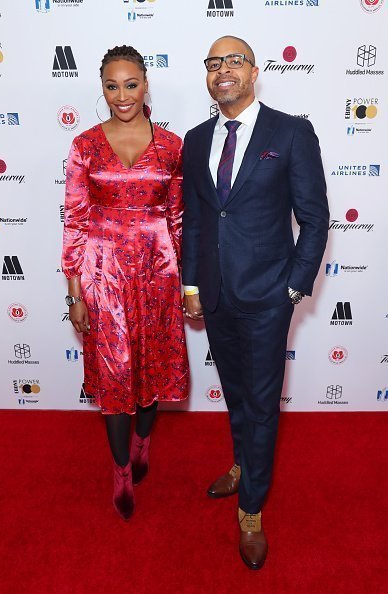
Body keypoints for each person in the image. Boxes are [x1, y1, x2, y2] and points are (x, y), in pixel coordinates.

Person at [182, 36, 329, 569]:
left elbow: (314, 218)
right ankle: (245, 464)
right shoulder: (197, 140)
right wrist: (192, 287)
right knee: (238, 395)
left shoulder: (290, 131)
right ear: (207, 75)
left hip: (269, 297)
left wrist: (293, 287)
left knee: (263, 405)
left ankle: (251, 512)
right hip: (216, 295)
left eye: (234, 61)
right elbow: (198, 219)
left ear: (255, 70)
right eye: (214, 63)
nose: (224, 71)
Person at [62, 45, 189, 521]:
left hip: (158, 275)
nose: (122, 95)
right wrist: (75, 292)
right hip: (103, 275)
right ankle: (120, 473)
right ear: (102, 87)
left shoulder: (173, 145)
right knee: (115, 378)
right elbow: (74, 222)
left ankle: (142, 446)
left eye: (130, 84)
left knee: (152, 374)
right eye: (112, 86)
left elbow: (178, 220)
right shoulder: (84, 145)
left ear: (145, 83)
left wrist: (186, 285)